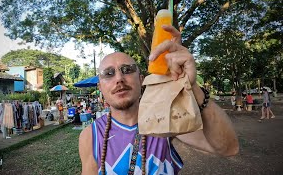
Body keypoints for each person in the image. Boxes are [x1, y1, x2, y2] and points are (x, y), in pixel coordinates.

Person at [79, 25, 239, 174]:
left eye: (127, 70)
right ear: (100, 87)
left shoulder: (165, 120)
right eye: (109, 73)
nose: (119, 78)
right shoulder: (90, 136)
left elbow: (228, 148)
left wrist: (192, 87)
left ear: (141, 79)